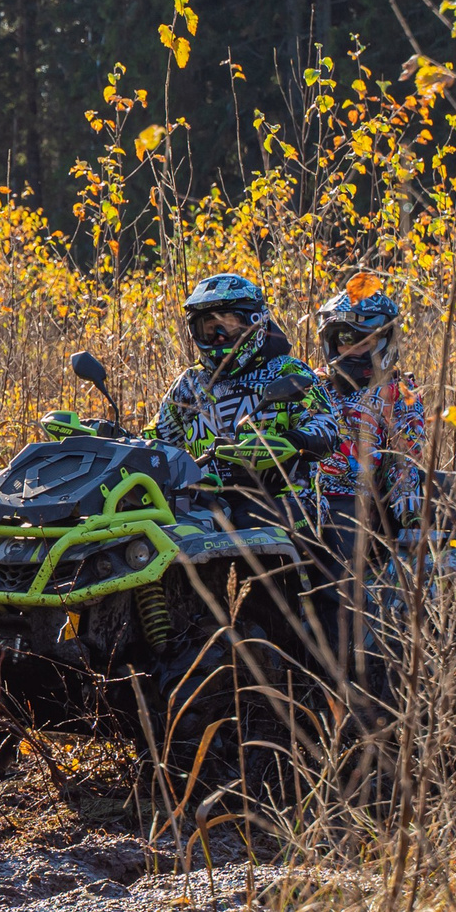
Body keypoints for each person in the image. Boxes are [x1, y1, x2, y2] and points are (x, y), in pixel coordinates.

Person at [149, 273, 341, 645]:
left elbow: (327, 426)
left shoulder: (287, 372)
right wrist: (110, 439)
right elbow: (157, 440)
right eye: (209, 328)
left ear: (254, 322)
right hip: (203, 501)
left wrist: (290, 443)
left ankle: (319, 662)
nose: (219, 336)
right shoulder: (189, 385)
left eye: (228, 324)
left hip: (283, 498)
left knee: (307, 574)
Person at [308, 278, 428, 673]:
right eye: (344, 338)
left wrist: (409, 512)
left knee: (330, 568)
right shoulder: (309, 386)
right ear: (329, 340)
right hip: (301, 496)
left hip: (359, 504)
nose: (354, 349)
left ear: (384, 341)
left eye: (366, 339)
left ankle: (337, 666)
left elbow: (407, 460)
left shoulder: (397, 393)